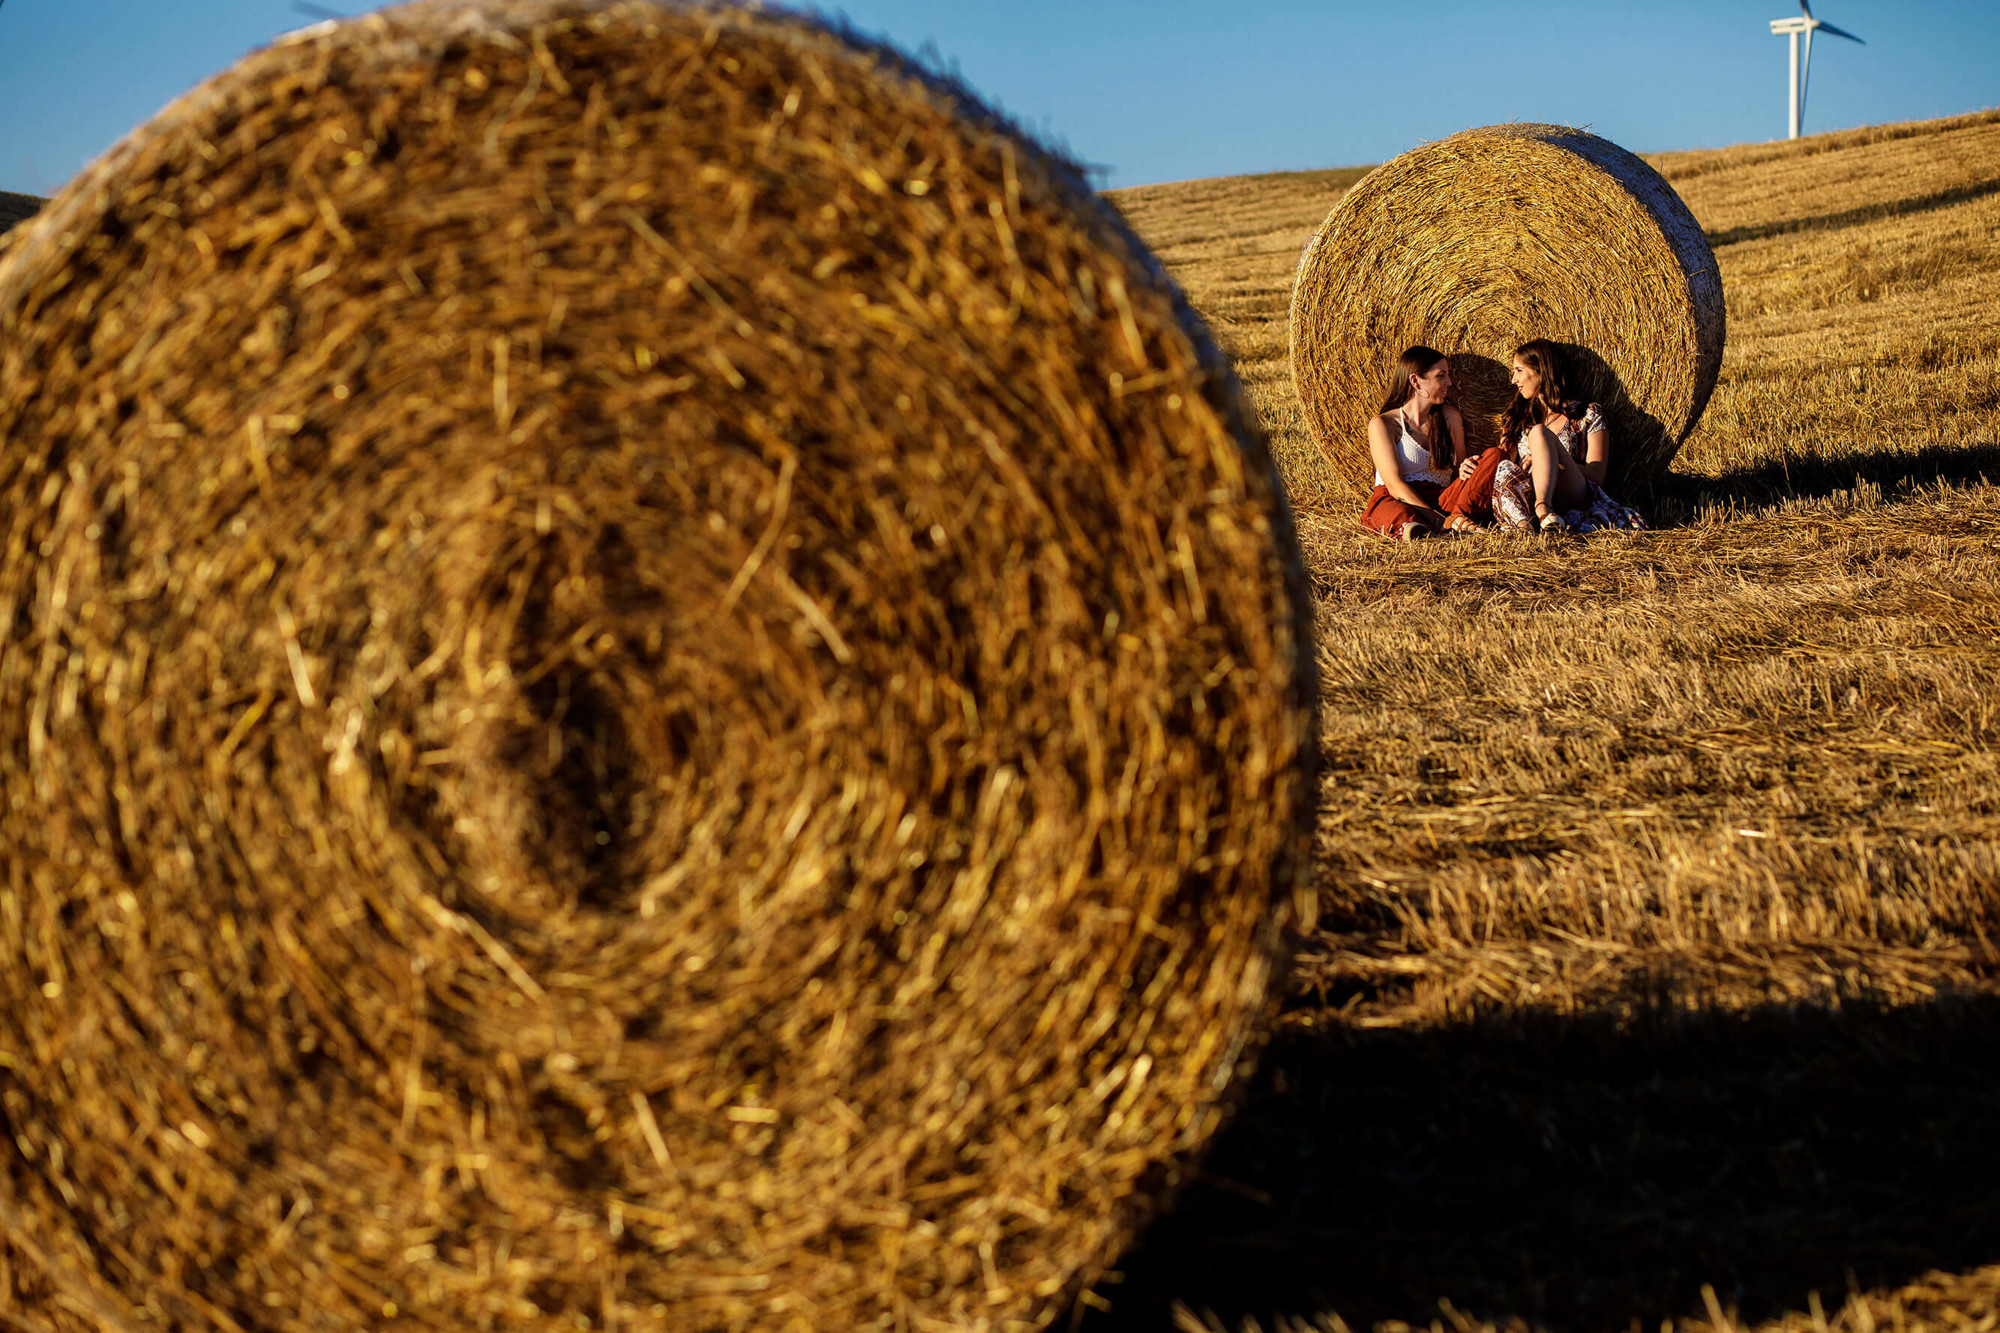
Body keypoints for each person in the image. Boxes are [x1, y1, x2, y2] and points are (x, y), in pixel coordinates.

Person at [1487, 338, 1648, 535]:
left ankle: (1543, 508)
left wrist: (1549, 460)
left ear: (1541, 370)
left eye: (1519, 370)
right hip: (1528, 492)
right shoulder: (1517, 418)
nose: (1513, 380)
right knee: (1504, 466)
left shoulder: (1587, 414)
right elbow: (1502, 470)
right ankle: (1524, 528)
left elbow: (1597, 475)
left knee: (1539, 433)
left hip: (1573, 493)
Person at [1359, 345, 1476, 540]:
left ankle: (1436, 526)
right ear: (1415, 381)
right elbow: (1395, 485)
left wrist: (1468, 470)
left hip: (1442, 496)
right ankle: (1416, 529)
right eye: (1441, 376)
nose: (1449, 382)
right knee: (1397, 514)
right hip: (1398, 498)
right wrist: (1439, 519)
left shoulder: (1451, 418)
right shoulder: (1384, 424)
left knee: (1493, 457)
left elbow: (1458, 474)